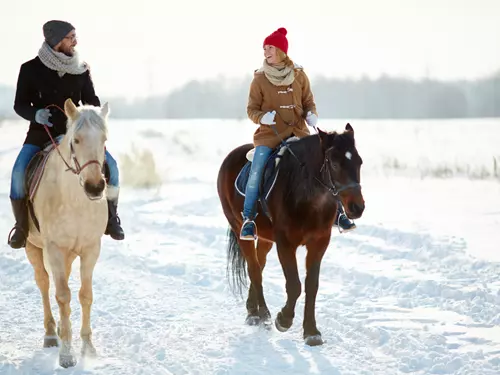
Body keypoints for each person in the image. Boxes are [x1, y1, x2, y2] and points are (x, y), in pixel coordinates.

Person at [7, 20, 125, 249]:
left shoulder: (82, 68)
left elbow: (92, 101)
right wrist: (36, 114)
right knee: (19, 171)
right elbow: (19, 104)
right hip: (41, 134)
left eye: (74, 36)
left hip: (78, 137)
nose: (75, 41)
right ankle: (22, 228)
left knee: (113, 167)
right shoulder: (29, 69)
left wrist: (87, 115)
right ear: (56, 40)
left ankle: (111, 219)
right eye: (70, 37)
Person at [241, 27, 355, 240]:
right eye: (264, 48)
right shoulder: (259, 79)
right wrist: (262, 118)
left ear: (282, 51)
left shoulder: (299, 75)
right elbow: (251, 109)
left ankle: (339, 213)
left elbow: (308, 101)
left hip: (299, 132)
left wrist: (312, 114)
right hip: (270, 135)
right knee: (257, 169)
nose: (266, 52)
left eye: (270, 48)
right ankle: (248, 219)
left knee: (326, 163)